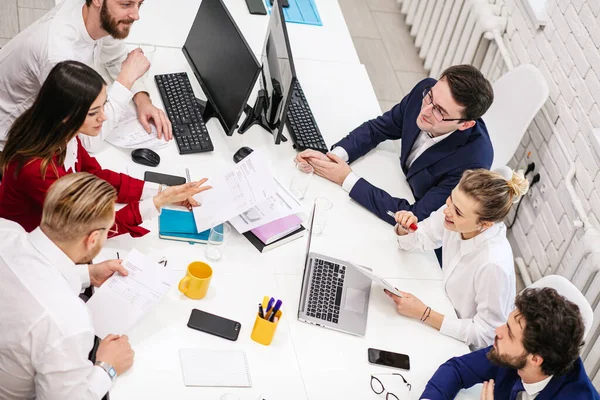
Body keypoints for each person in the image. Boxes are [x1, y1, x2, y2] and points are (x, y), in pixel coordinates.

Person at [0, 60, 210, 237]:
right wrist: (157, 202)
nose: (104, 117)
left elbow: (95, 176)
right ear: (66, 116)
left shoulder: (62, 134)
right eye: (93, 113)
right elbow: (90, 231)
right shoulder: (37, 169)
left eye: (103, 106)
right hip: (33, 244)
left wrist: (162, 191)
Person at [295, 64, 494, 226]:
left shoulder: (473, 163)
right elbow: (378, 129)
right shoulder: (424, 92)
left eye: (439, 112)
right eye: (430, 97)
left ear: (465, 124)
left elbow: (417, 216)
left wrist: (346, 179)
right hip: (396, 182)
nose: (425, 110)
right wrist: (333, 157)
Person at [0, 172, 137, 398]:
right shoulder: (68, 322)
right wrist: (107, 367)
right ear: (92, 239)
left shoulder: (6, 230)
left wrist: (88, 274)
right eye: (108, 230)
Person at [0, 0, 172, 153]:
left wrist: (142, 100)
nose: (136, 15)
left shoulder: (94, 17)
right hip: (13, 141)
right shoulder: (58, 55)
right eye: (126, 4)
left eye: (139, 4)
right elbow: (89, 140)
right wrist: (125, 81)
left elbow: (115, 58)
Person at [385, 168, 529, 350]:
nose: (448, 211)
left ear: (485, 224)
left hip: (459, 342)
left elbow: (485, 334)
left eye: (458, 212)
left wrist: (424, 313)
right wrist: (405, 228)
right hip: (441, 307)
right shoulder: (454, 212)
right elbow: (421, 238)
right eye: (451, 199)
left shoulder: (493, 264)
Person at [420, 287, 600, 399]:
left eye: (510, 334)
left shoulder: (576, 396)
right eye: (507, 325)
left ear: (536, 359)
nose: (498, 332)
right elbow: (457, 369)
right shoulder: (512, 354)